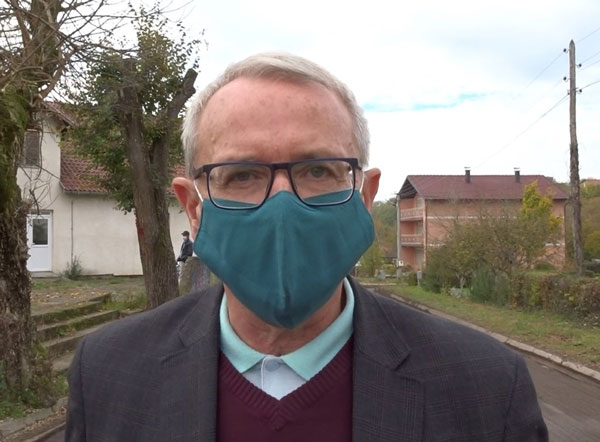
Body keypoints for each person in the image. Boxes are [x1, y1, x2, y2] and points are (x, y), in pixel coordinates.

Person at [65, 52, 548, 441]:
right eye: (242, 174)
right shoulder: (109, 374)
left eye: (318, 170)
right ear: (194, 207)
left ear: (364, 198)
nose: (283, 205)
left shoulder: (486, 387)